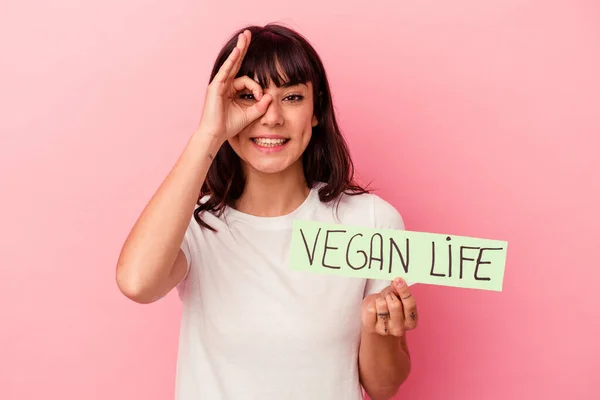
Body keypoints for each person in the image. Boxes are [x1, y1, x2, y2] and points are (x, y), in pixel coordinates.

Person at [116, 23, 419, 400]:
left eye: (292, 97)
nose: (271, 117)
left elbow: (384, 386)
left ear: (315, 110)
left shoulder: (371, 222)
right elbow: (136, 283)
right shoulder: (193, 224)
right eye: (248, 97)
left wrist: (377, 329)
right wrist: (209, 134)